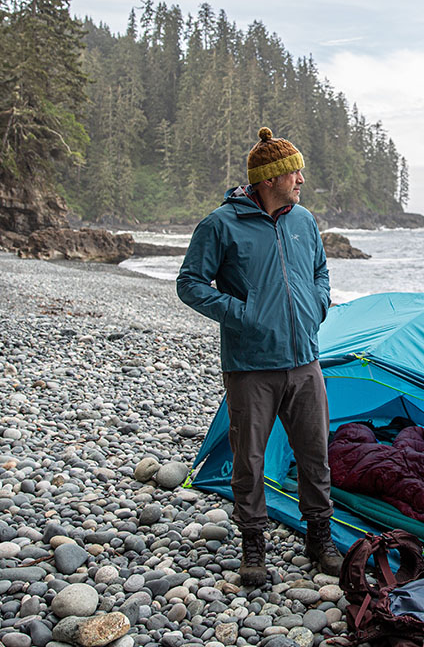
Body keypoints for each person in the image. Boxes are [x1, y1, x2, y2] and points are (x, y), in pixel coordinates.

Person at [176, 126, 343, 586]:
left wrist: (319, 305)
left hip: (304, 360)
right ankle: (253, 546)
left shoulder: (304, 221)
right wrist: (243, 314)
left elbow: (320, 271)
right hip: (250, 365)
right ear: (269, 179)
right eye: (294, 172)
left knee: (315, 454)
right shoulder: (220, 224)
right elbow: (189, 283)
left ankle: (319, 538)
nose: (301, 179)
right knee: (248, 459)